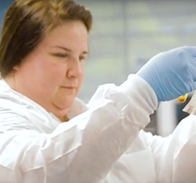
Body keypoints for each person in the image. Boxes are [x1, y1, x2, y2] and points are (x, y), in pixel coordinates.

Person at [0, 0, 196, 182]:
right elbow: (41, 171)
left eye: (82, 57)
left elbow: (163, 165)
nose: (76, 71)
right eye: (61, 55)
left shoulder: (84, 116)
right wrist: (141, 93)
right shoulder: (5, 117)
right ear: (16, 56)